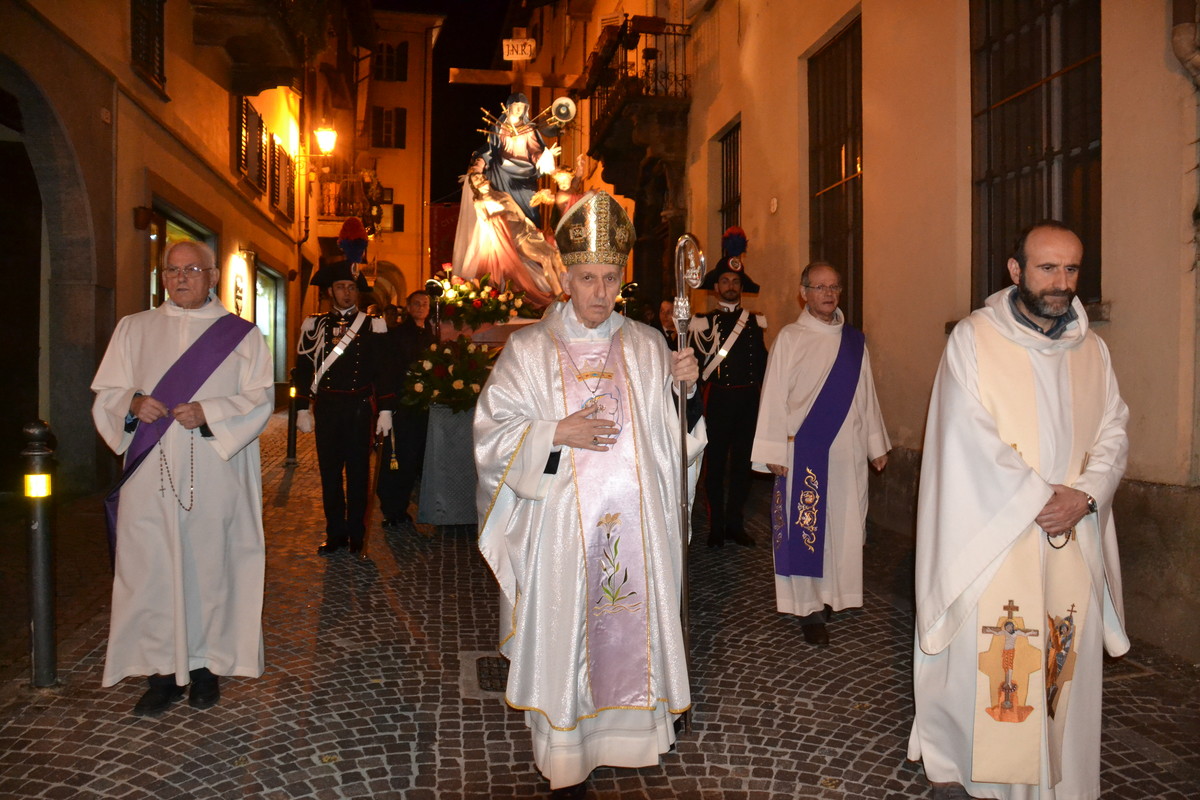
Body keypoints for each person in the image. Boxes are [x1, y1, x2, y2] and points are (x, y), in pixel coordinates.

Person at [474, 190, 706, 798]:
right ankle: (568, 752)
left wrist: (690, 391)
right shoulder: (527, 351)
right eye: (586, 279)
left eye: (610, 278)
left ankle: (634, 734)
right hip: (561, 533)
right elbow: (492, 437)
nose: (600, 292)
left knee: (631, 625)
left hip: (637, 524)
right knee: (570, 631)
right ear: (566, 280)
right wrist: (555, 432)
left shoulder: (650, 344)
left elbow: (672, 440)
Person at [907, 221, 1129, 800]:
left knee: (1060, 667)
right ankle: (975, 778)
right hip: (993, 536)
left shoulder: (1093, 350)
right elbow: (965, 436)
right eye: (1046, 268)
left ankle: (1062, 781)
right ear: (1015, 270)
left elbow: (1114, 430)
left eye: (1072, 269)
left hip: (1070, 536)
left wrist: (1084, 497)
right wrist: (1037, 499)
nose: (1061, 283)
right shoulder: (975, 340)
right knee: (993, 663)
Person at [91, 239, 273, 716]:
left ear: (212, 276)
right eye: (172, 270)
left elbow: (260, 399)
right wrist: (131, 404)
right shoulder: (133, 328)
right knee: (151, 568)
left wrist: (208, 411)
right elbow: (107, 393)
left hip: (216, 471)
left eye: (192, 269)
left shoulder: (242, 335)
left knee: (211, 565)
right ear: (163, 277)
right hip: (150, 473)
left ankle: (206, 668)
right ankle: (160, 673)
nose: (181, 277)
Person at [750, 261, 890, 646]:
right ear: (804, 292)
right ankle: (808, 608)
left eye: (834, 287)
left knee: (842, 528)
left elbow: (867, 397)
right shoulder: (790, 339)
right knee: (805, 530)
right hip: (803, 451)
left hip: (846, 452)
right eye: (820, 287)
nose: (828, 294)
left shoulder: (854, 342)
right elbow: (773, 396)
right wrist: (773, 448)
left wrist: (876, 445)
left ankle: (831, 596)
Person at [294, 261, 395, 556]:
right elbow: (302, 369)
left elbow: (384, 370)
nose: (347, 293)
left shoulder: (372, 325)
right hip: (327, 408)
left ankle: (356, 535)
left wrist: (386, 409)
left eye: (351, 288)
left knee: (358, 474)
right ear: (329, 291)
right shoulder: (314, 325)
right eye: (341, 287)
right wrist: (302, 407)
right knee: (329, 474)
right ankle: (334, 533)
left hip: (359, 409)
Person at [691, 227, 768, 547]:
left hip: (749, 400)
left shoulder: (757, 321)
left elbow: (763, 365)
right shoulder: (701, 322)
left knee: (742, 466)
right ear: (716, 286)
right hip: (718, 400)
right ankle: (716, 526)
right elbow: (695, 370)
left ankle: (736, 523)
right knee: (715, 466)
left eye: (736, 282)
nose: (731, 286)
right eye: (725, 281)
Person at [379, 290, 438, 530]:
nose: (421, 306)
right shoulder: (396, 335)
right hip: (403, 407)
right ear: (408, 306)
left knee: (415, 460)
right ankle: (393, 509)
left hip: (424, 408)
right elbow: (390, 369)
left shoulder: (431, 334)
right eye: (416, 303)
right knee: (398, 459)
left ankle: (405, 507)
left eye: (425, 303)